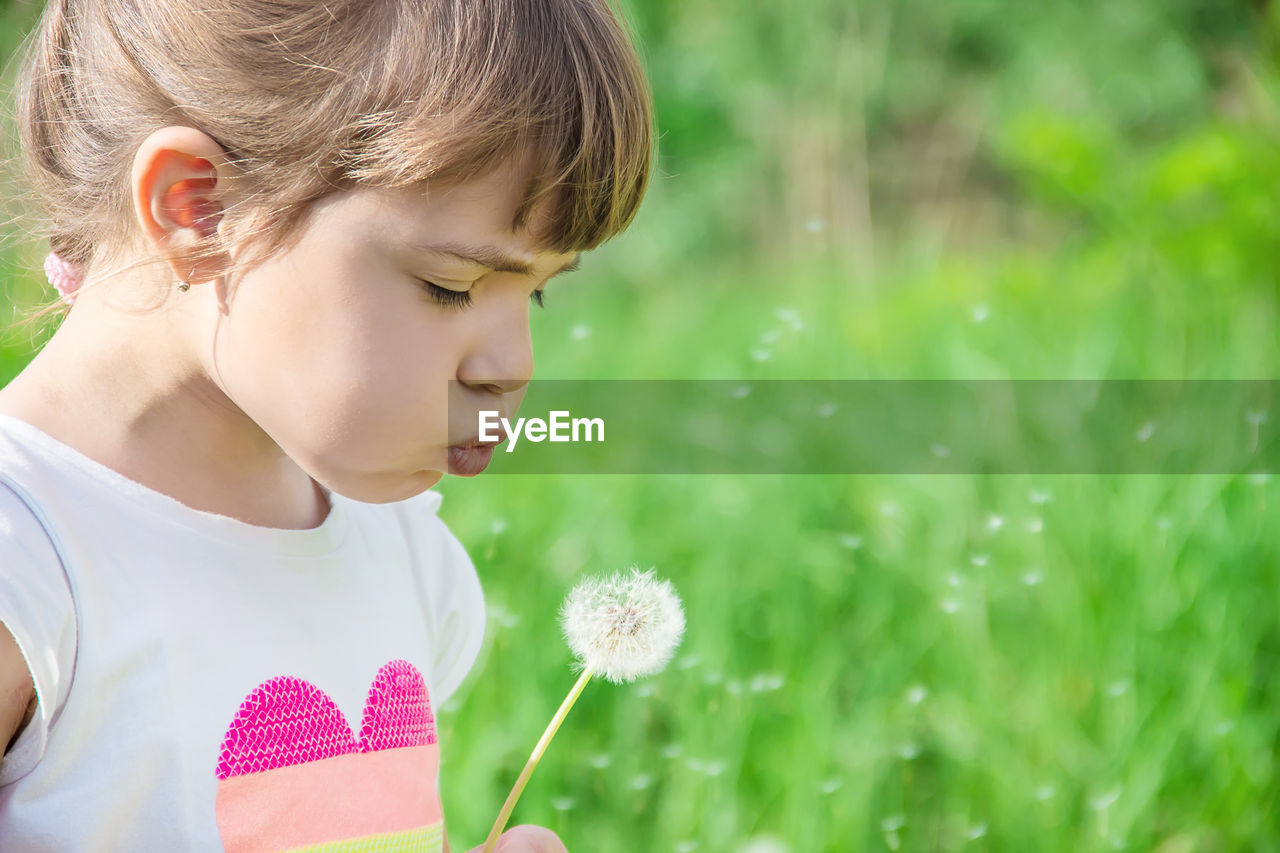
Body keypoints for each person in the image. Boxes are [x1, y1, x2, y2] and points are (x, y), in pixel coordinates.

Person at [0, 0, 653, 849]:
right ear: (197, 210)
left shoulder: (397, 549)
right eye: (451, 285)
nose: (513, 364)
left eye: (534, 291)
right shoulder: (32, 557)